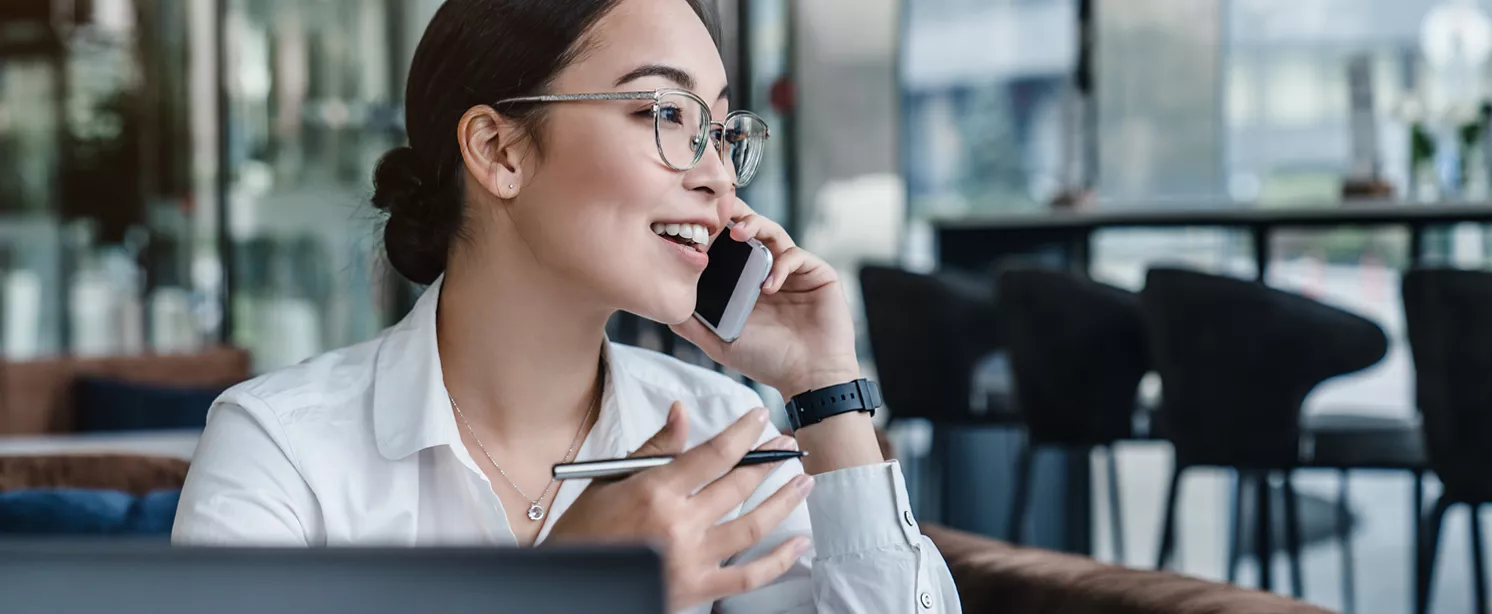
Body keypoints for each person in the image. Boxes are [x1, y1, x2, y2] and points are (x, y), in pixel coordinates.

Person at [171, 0, 961, 612]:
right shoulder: (282, 450)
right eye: (666, 114)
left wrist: (824, 390)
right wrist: (556, 588)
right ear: (499, 151)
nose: (720, 176)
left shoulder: (726, 435)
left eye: (719, 131)